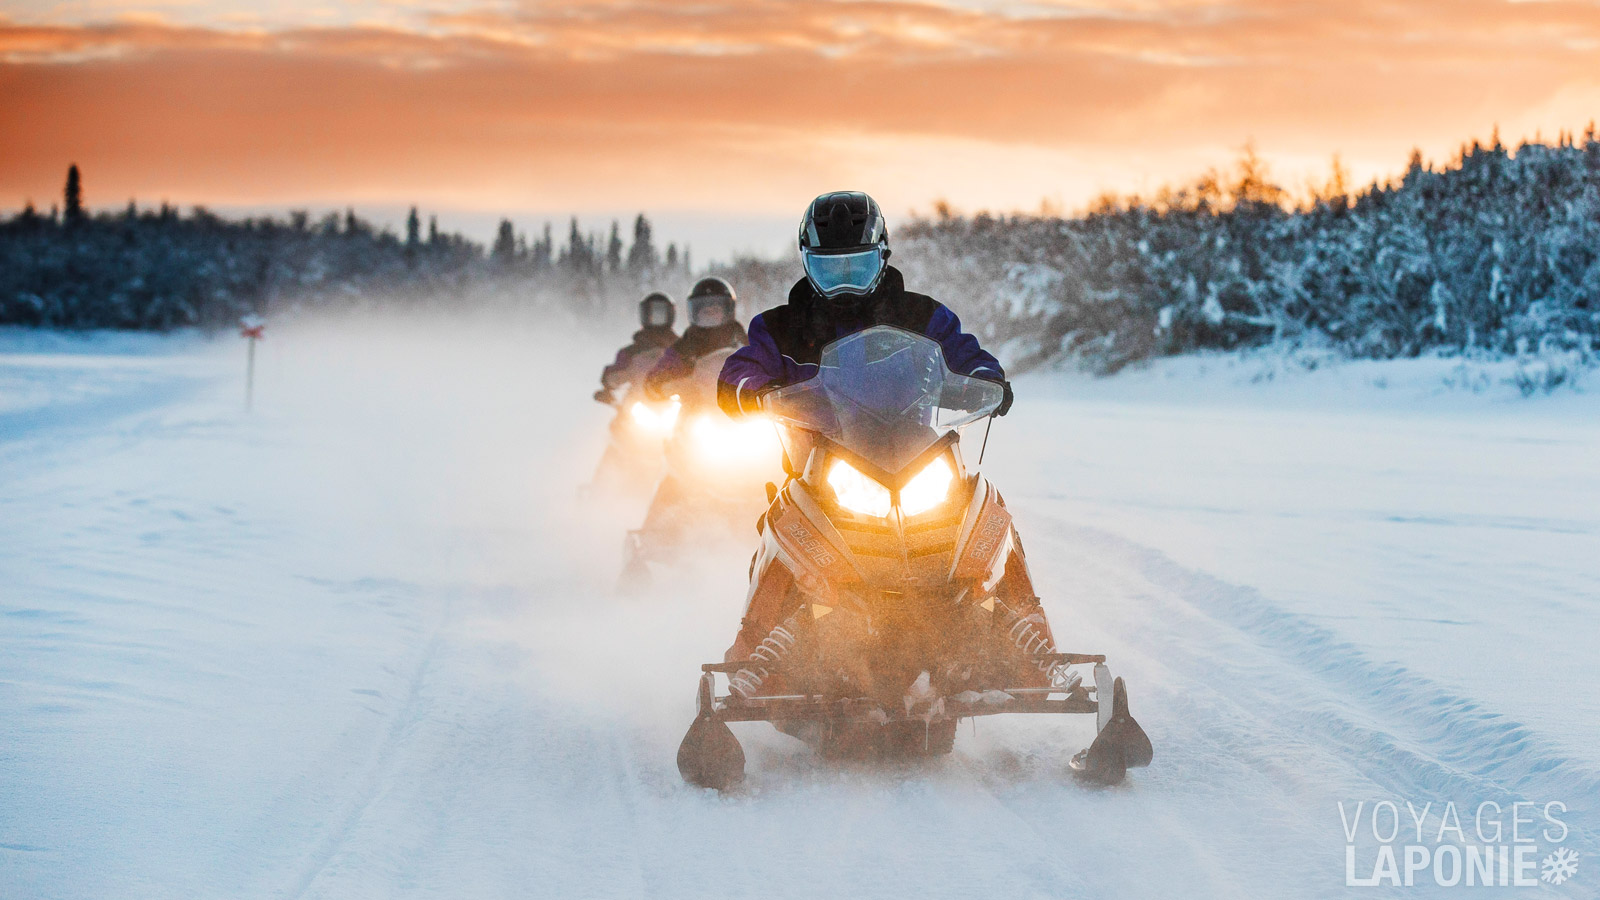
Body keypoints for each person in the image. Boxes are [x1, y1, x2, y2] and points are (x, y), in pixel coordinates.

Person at [716, 191, 1041, 665]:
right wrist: (750, 391)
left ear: (883, 257)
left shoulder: (922, 315)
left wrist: (987, 382)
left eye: (859, 265)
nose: (845, 280)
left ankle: (1029, 640)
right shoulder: (780, 326)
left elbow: (967, 355)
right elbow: (742, 369)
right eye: (832, 268)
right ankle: (752, 657)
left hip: (916, 458)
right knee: (784, 521)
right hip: (820, 471)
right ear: (808, 263)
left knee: (984, 506)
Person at [643, 277, 748, 402]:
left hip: (742, 410)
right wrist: (663, 386)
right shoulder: (684, 347)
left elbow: (767, 367)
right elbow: (658, 375)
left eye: (715, 310)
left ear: (728, 311)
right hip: (695, 410)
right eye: (705, 311)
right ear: (695, 313)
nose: (710, 314)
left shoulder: (744, 344)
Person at [594, 292, 678, 405]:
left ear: (670, 314)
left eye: (661, 312)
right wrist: (611, 382)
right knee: (619, 421)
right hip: (639, 405)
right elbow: (617, 369)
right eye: (652, 313)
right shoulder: (631, 352)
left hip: (674, 404)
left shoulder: (681, 348)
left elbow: (697, 369)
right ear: (644, 315)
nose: (657, 317)